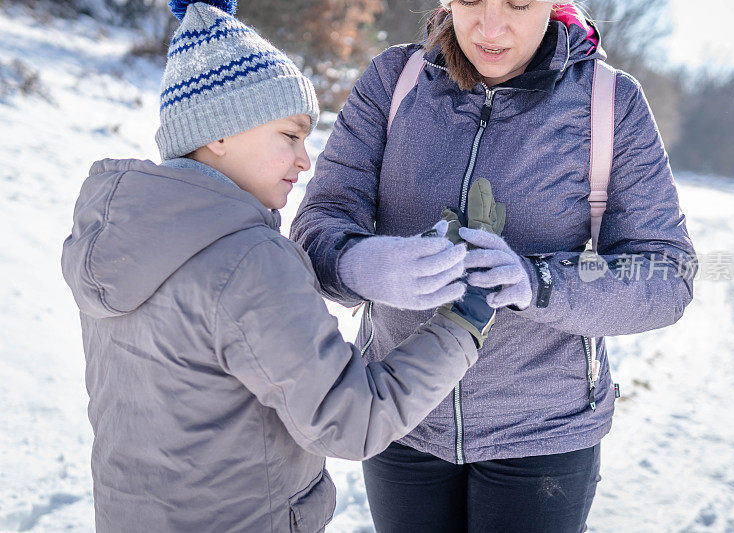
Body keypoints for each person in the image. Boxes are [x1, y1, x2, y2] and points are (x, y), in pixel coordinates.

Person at [59, 1, 497, 531]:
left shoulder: (123, 242)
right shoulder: (247, 261)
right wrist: (462, 326)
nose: (305, 160)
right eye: (290, 135)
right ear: (218, 134)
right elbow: (350, 419)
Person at [290, 1, 697, 531]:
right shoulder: (396, 79)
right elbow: (317, 224)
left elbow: (665, 273)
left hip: (543, 435)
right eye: (472, 1)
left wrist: (539, 283)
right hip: (399, 413)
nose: (490, 28)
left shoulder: (608, 103)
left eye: (518, 4)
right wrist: (361, 265)